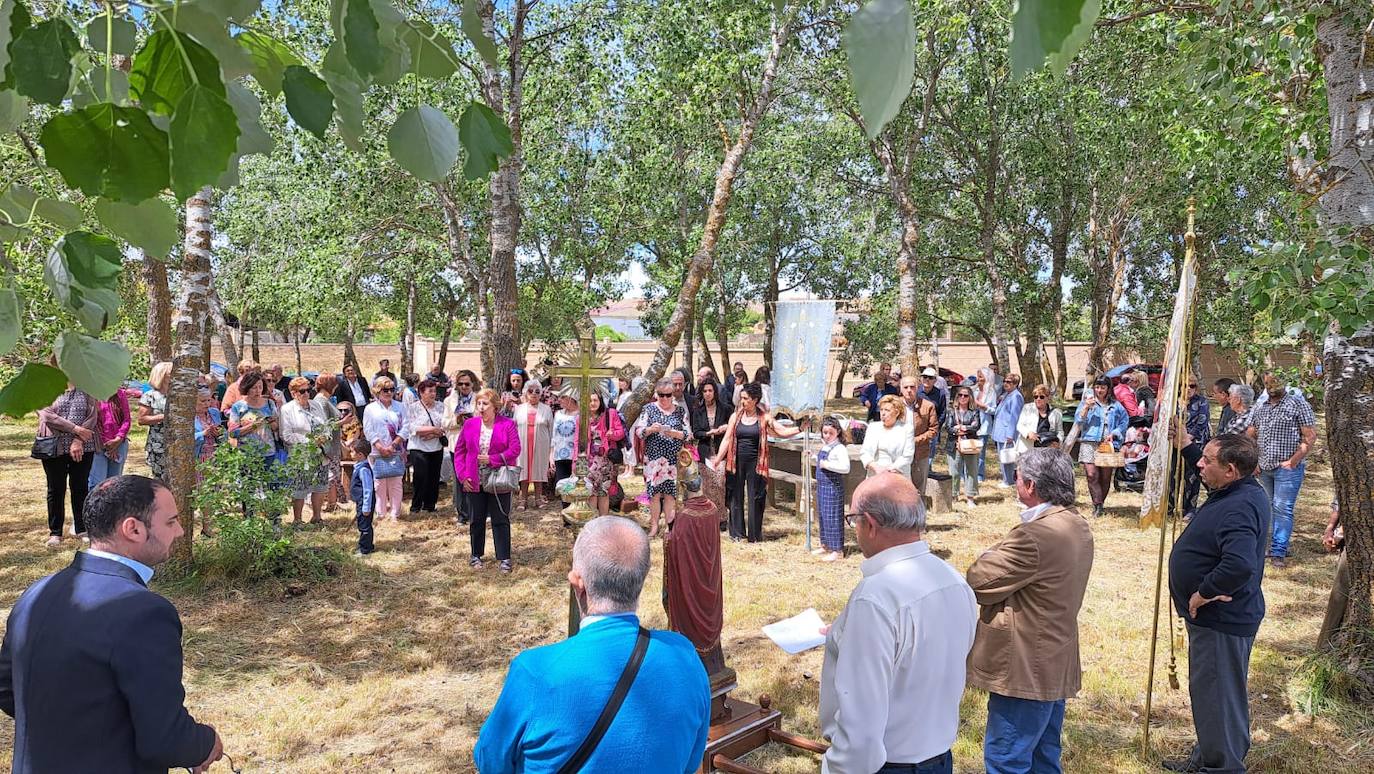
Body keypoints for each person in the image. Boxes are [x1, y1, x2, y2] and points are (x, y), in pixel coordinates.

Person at [0, 475, 224, 773]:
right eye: (171, 522)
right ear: (133, 528)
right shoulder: (145, 612)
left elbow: (8, 689)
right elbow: (165, 738)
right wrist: (206, 743)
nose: (180, 531)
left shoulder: (38, 591)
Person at [477, 518, 710, 772]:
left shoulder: (534, 672)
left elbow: (491, 761)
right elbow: (692, 762)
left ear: (578, 584)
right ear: (642, 578)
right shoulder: (684, 656)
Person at [819, 474, 976, 773]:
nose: (854, 530)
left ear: (870, 524)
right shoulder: (954, 580)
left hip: (889, 764)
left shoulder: (875, 598)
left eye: (852, 520)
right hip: (939, 758)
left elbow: (861, 733)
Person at [965, 448, 1094, 774]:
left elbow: (978, 578)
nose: (1015, 483)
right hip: (1053, 656)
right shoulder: (1076, 523)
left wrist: (991, 552)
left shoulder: (1035, 535)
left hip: (1024, 665)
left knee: (1008, 759)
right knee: (1043, 756)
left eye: (1018, 478)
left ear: (1032, 485)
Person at [1163, 431, 1268, 774]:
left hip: (1221, 618)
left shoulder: (1240, 503)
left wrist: (1203, 592)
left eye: (1207, 460)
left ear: (1231, 470)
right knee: (1214, 698)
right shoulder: (1237, 489)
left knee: (1218, 698)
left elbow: (1239, 563)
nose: (1200, 464)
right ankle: (1208, 759)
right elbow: (1207, 469)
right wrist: (1185, 446)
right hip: (1218, 621)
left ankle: (1223, 768)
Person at [712, 382, 801, 543]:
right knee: (735, 497)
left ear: (755, 400)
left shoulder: (764, 417)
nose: (742, 401)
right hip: (736, 462)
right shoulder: (735, 416)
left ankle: (754, 535)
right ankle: (737, 534)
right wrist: (718, 459)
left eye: (746, 398)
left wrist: (800, 429)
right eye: (741, 398)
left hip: (756, 463)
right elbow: (727, 438)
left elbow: (781, 432)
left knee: (756, 498)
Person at [1247, 373, 1317, 567]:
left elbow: (1310, 436)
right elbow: (1250, 434)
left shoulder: (1297, 403)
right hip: (1264, 467)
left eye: (1275, 382)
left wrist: (1293, 461)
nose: (1271, 386)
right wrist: (1254, 462)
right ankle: (1275, 545)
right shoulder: (1260, 406)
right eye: (1267, 383)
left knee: (1282, 509)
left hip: (1287, 469)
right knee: (1268, 506)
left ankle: (1278, 551)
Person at [664, 460, 728, 673]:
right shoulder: (712, 509)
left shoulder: (685, 516)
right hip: (709, 581)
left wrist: (668, 536)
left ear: (682, 487)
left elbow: (675, 545)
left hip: (691, 586)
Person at [454, 389, 521, 572]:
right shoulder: (470, 424)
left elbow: (515, 449)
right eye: (479, 404)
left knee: (500, 518)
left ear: (495, 407)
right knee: (476, 519)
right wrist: (462, 476)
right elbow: (460, 452)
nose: (481, 408)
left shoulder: (507, 424)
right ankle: (476, 555)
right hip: (474, 479)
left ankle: (504, 558)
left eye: (485, 404)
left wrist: (493, 459)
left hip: (498, 478)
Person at [36, 380, 99, 547]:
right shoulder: (46, 386)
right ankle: (55, 532)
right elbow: (47, 415)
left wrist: (78, 440)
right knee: (56, 488)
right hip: (53, 446)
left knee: (80, 487)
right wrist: (75, 429)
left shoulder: (87, 387)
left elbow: (92, 415)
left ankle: (82, 528)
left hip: (84, 445)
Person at [227, 370, 282, 521]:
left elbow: (277, 428)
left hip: (268, 451)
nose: (257, 391)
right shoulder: (238, 407)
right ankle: (249, 520)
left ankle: (274, 521)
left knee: (272, 486)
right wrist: (252, 426)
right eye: (253, 388)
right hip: (247, 453)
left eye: (259, 387)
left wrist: (272, 423)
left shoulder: (270, 403)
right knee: (248, 488)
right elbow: (233, 432)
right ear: (246, 388)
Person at [1073, 377, 1128, 518]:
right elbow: (1078, 420)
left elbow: (1124, 422)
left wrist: (1115, 433)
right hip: (1089, 441)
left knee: (1105, 477)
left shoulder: (1116, 405)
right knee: (1091, 475)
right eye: (1097, 387)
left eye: (1103, 387)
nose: (1099, 390)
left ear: (1108, 389)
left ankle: (1101, 503)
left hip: (1107, 444)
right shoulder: (1088, 402)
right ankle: (1097, 504)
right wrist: (1086, 407)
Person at [643, 378, 691, 538]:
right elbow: (639, 431)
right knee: (654, 494)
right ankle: (654, 526)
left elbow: (688, 434)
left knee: (670, 494)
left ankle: (669, 527)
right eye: (661, 395)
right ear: (656, 394)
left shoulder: (680, 411)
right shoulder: (648, 409)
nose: (664, 398)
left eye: (668, 395)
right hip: (654, 459)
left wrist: (675, 434)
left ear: (673, 395)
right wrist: (651, 429)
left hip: (672, 460)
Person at [280, 376, 330, 526]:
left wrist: (325, 436)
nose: (306, 393)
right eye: (302, 391)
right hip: (300, 454)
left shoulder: (316, 405)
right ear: (293, 393)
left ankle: (317, 516)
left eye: (309, 390)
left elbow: (326, 425)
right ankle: (297, 519)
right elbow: (286, 435)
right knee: (300, 487)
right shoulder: (287, 409)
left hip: (320, 453)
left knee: (320, 485)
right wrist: (309, 441)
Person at [805, 416, 850, 561]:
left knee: (833, 517)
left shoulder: (840, 448)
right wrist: (813, 457)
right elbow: (821, 460)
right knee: (823, 517)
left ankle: (837, 550)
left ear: (837, 432)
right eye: (825, 433)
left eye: (830, 433)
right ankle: (825, 544)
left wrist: (827, 465)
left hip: (833, 487)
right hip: (822, 487)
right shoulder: (826, 446)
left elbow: (845, 468)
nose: (827, 436)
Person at [362, 376, 407, 521]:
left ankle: (395, 513)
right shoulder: (370, 409)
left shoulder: (400, 407)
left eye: (392, 390)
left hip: (397, 449)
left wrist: (394, 445)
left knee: (396, 482)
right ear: (377, 391)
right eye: (385, 390)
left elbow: (407, 426)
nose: (389, 393)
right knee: (379, 483)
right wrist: (380, 447)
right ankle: (380, 513)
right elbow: (368, 430)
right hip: (377, 451)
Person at [403, 379, 447, 513]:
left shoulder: (441, 406)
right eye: (430, 391)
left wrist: (433, 434)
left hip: (436, 447)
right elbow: (411, 427)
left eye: (434, 391)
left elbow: (445, 425)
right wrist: (432, 430)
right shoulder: (413, 408)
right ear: (421, 393)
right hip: (418, 447)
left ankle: (430, 505)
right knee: (420, 476)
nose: (433, 394)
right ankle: (416, 506)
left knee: (434, 477)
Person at [512, 381, 553, 510]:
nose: (534, 394)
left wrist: (551, 448)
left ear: (541, 394)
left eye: (537, 391)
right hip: (522, 444)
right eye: (531, 391)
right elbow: (513, 427)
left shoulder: (546, 409)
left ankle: (538, 498)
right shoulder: (519, 409)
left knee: (539, 470)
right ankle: (522, 499)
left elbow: (551, 429)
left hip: (541, 444)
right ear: (525, 392)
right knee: (523, 470)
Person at [443, 370, 478, 523]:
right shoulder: (449, 401)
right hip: (456, 444)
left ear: (472, 384)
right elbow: (444, 423)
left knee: (474, 477)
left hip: (475, 444)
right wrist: (457, 420)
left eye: (467, 384)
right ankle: (462, 514)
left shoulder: (479, 399)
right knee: (459, 479)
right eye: (461, 384)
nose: (464, 386)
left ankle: (475, 512)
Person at [586, 388, 626, 516]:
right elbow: (577, 440)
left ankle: (603, 520)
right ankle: (592, 521)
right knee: (591, 492)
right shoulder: (582, 417)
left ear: (600, 401)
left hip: (605, 460)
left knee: (603, 491)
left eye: (595, 400)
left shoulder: (610, 414)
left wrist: (612, 434)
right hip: (589, 460)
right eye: (590, 400)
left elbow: (621, 433)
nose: (592, 403)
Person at [900, 375, 940, 495]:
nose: (909, 390)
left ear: (917, 388)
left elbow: (933, 429)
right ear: (901, 389)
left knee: (919, 482)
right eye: (905, 387)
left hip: (920, 450)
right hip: (898, 450)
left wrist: (916, 440)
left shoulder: (928, 406)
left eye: (912, 387)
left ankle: (919, 508)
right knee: (900, 482)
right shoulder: (894, 405)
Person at [311, 373, 344, 513]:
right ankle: (330, 504)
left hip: (333, 445)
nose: (336, 388)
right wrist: (343, 422)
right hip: (328, 447)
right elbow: (324, 425)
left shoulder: (326, 400)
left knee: (334, 475)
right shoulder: (321, 401)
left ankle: (333, 503)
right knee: (330, 475)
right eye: (334, 385)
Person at [1316, 500, 1348, 649]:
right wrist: (1331, 530)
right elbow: (1341, 501)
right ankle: (1323, 650)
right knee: (1340, 595)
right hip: (1354, 542)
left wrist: (1339, 534)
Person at [89, 385, 133, 490]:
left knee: (115, 483)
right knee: (97, 484)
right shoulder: (90, 395)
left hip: (119, 444)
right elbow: (90, 422)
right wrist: (108, 444)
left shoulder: (120, 394)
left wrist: (118, 439)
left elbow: (126, 419)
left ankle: (112, 507)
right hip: (97, 445)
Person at [861, 394, 915, 479]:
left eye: (887, 410)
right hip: (875, 475)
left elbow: (908, 456)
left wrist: (890, 469)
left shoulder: (907, 429)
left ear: (897, 412)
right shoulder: (873, 427)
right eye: (881, 410)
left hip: (898, 475)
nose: (883, 413)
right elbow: (865, 453)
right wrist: (876, 467)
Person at [946, 386, 983, 508]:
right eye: (960, 395)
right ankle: (954, 495)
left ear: (970, 397)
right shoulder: (951, 411)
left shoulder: (974, 411)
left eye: (966, 395)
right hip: (954, 445)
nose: (963, 397)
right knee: (954, 471)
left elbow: (976, 426)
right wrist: (962, 430)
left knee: (971, 471)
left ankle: (970, 497)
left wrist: (962, 428)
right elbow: (949, 427)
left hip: (970, 445)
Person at [1183, 377, 1213, 517]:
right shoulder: (1175, 402)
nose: (1188, 388)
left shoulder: (1202, 401)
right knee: (1173, 477)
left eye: (1192, 386)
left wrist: (1189, 437)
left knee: (1193, 477)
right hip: (1176, 442)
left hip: (1195, 443)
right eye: (1185, 385)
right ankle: (1172, 507)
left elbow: (1202, 422)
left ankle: (1190, 509)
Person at [138, 361, 172, 482]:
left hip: (178, 441)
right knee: (160, 479)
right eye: (170, 374)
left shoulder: (177, 395)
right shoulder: (150, 396)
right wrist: (164, 416)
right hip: (159, 443)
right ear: (161, 376)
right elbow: (142, 419)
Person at [991, 374, 1025, 487]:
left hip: (1007, 432)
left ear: (1015, 384)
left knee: (1008, 457)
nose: (1005, 383)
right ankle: (1006, 478)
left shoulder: (1016, 396)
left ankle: (1009, 480)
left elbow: (1014, 417)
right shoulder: (1007, 395)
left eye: (1009, 382)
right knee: (1003, 456)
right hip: (1000, 430)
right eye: (1005, 381)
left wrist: (1010, 434)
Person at [689, 378, 732, 459]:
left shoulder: (726, 408)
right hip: (704, 452)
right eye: (705, 391)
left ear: (714, 392)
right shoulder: (697, 411)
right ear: (702, 393)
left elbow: (733, 425)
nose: (707, 393)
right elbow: (696, 433)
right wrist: (708, 433)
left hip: (721, 451)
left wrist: (726, 427)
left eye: (710, 390)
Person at [551, 392, 580, 506]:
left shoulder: (581, 414)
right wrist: (551, 455)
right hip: (559, 455)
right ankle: (566, 516)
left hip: (575, 455)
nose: (559, 399)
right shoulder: (558, 414)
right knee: (563, 486)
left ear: (571, 398)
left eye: (563, 397)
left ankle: (577, 513)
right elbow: (554, 435)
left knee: (577, 486)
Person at [1016, 385, 1063, 455]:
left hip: (1048, 450)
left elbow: (1059, 431)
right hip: (1028, 449)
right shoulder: (1027, 408)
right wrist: (1028, 433)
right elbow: (1019, 425)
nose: (1038, 399)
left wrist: (1058, 441)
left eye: (1041, 397)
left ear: (1048, 398)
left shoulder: (1056, 413)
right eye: (1035, 397)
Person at [349, 437, 377, 555]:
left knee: (364, 526)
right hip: (360, 501)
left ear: (360, 454)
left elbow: (368, 489)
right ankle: (365, 545)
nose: (350, 454)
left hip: (365, 502)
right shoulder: (359, 466)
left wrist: (366, 507)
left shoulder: (363, 470)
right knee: (362, 523)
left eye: (352, 451)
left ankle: (365, 549)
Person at [973, 367, 999, 481]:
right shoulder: (974, 390)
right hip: (972, 424)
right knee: (970, 450)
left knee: (980, 452)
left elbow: (994, 410)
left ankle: (979, 475)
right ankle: (969, 473)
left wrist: (982, 406)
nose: (978, 378)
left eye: (981, 376)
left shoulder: (991, 392)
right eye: (977, 376)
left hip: (984, 425)